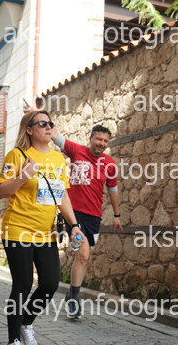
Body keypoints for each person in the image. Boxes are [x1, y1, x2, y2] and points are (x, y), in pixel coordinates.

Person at [0, 110, 85, 345]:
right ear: (29, 129)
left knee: (49, 283)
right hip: (18, 228)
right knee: (23, 284)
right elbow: (0, 191)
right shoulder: (18, 155)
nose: (48, 127)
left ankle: (25, 323)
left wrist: (74, 225)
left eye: (50, 124)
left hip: (46, 233)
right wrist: (23, 176)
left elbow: (62, 195)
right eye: (42, 123)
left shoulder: (58, 159)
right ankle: (13, 340)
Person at [51, 124, 122, 319]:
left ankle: (71, 293)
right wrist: (38, 115)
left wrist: (117, 215)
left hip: (93, 216)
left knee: (84, 256)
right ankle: (74, 299)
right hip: (73, 213)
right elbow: (54, 135)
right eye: (98, 139)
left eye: (105, 141)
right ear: (90, 139)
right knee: (83, 252)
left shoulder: (110, 165)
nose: (102, 143)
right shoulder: (76, 150)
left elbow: (113, 191)